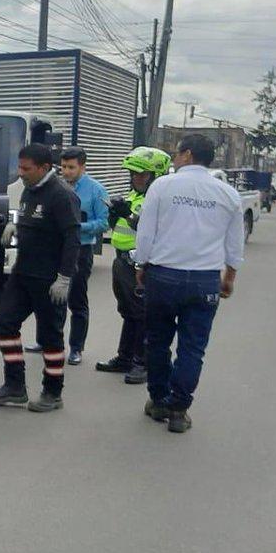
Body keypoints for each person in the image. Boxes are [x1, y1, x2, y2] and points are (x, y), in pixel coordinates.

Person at [133, 134, 244, 433]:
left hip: (163, 275)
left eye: (177, 152)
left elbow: (145, 234)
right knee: (193, 349)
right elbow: (235, 244)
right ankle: (179, 410)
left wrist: (141, 265)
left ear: (188, 154)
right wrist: (229, 279)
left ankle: (158, 400)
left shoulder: (162, 186)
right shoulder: (227, 194)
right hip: (204, 280)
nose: (175, 156)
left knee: (157, 341)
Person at [0, 143, 82, 413]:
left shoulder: (62, 195)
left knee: (51, 336)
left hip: (50, 280)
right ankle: (15, 386)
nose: (20, 173)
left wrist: (64, 278)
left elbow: (72, 238)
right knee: (4, 322)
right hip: (23, 274)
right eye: (20, 167)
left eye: (26, 169)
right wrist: (16, 226)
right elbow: (31, 218)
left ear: (44, 168)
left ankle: (52, 392)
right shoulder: (30, 189)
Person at [22, 146, 109, 365]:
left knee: (76, 300)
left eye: (72, 167)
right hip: (53, 250)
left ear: (83, 166)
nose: (67, 172)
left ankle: (76, 348)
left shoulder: (96, 190)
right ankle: (46, 341)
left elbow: (104, 222)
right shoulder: (55, 188)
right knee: (48, 298)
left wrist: (77, 227)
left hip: (80, 249)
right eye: (64, 167)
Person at [95, 146, 171, 385]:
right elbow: (114, 227)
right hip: (121, 261)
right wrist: (114, 213)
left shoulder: (158, 200)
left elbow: (153, 231)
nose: (137, 178)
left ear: (156, 176)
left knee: (142, 314)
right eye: (134, 174)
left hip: (141, 264)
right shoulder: (134, 197)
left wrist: (129, 215)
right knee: (128, 312)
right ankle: (125, 357)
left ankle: (142, 362)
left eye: (143, 175)